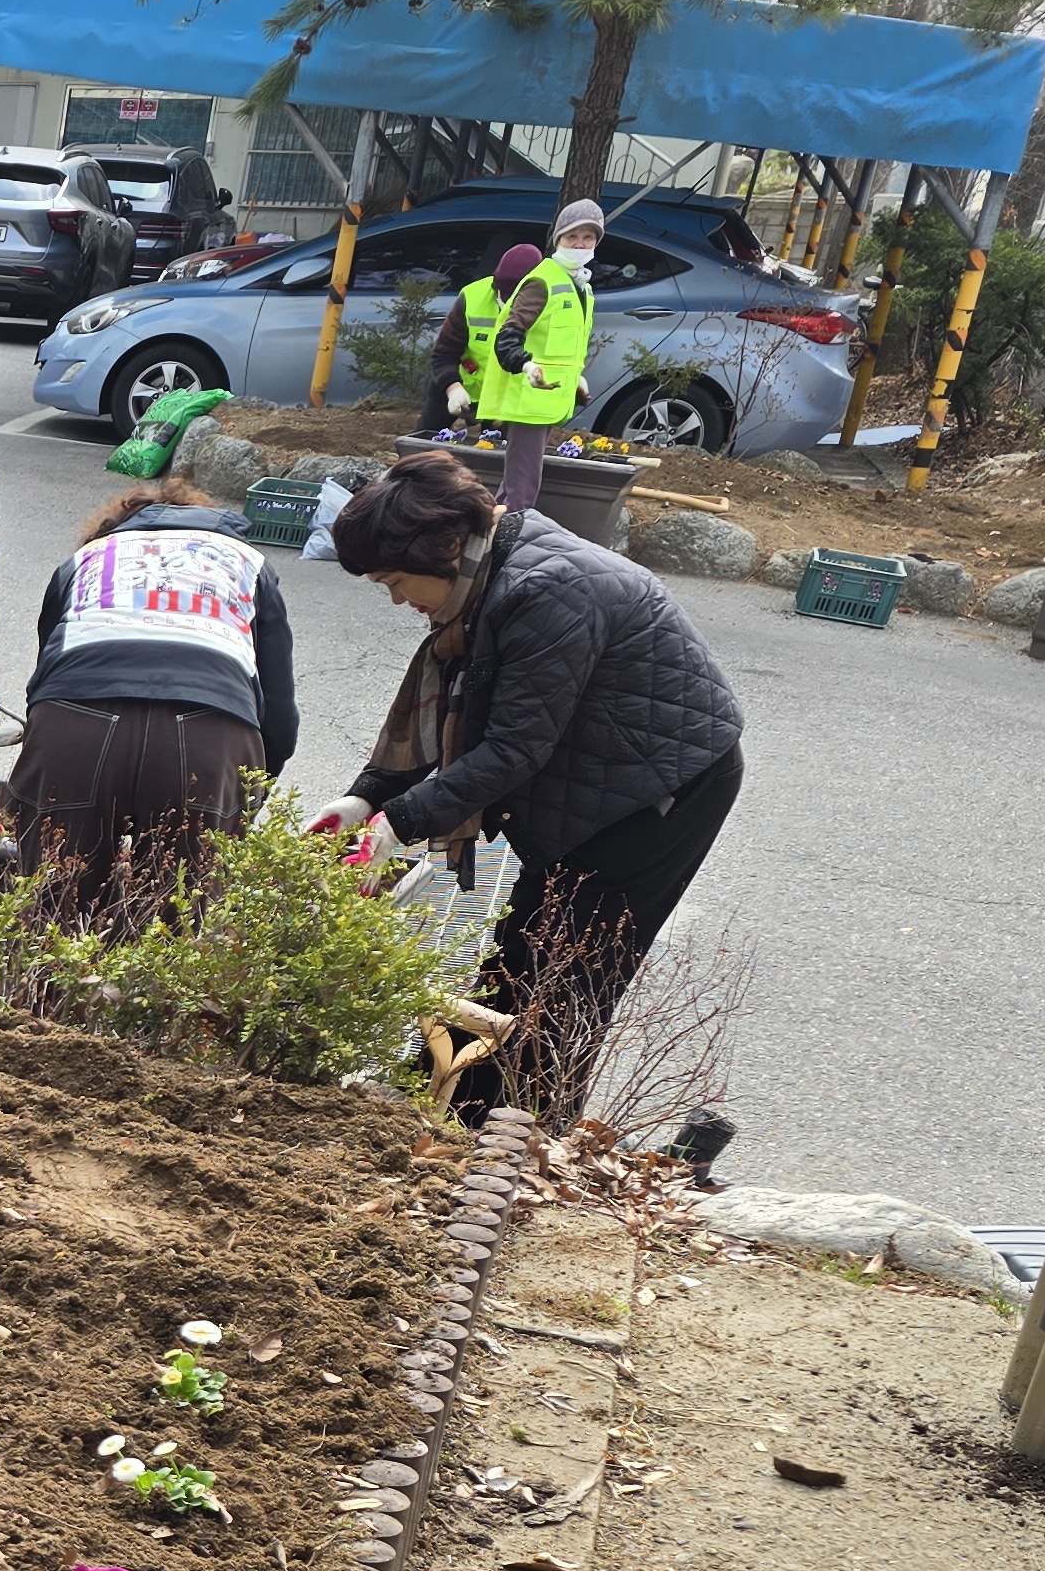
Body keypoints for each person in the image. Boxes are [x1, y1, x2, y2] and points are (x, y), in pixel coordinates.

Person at [307, 450, 743, 1134]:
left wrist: (397, 826)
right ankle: (452, 1107)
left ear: (445, 543)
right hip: (594, 771)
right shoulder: (485, 578)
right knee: (522, 954)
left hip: (657, 792)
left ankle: (517, 1140)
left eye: (394, 579)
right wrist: (365, 800)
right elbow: (464, 703)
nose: (396, 599)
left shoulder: (546, 590)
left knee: (566, 975)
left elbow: (511, 748)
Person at [11, 478, 296, 905]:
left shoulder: (85, 559)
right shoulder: (249, 564)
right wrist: (243, 796)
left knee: (56, 911)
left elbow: (47, 678)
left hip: (76, 718)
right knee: (179, 925)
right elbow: (279, 717)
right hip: (210, 730)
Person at [477, 203, 601, 513]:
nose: (580, 244)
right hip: (527, 402)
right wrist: (526, 365)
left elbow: (565, 347)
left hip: (548, 400)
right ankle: (503, 553)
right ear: (558, 238)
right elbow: (507, 338)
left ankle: (489, 550)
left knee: (515, 489)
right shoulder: (543, 281)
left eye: (588, 237)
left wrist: (576, 379)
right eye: (572, 236)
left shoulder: (582, 289)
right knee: (521, 493)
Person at [418, 242, 543, 439]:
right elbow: (443, 354)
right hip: (461, 386)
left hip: (509, 400)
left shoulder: (549, 306)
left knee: (498, 457)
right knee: (422, 443)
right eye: (500, 293)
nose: (503, 300)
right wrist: (453, 389)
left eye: (513, 298)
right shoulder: (472, 297)